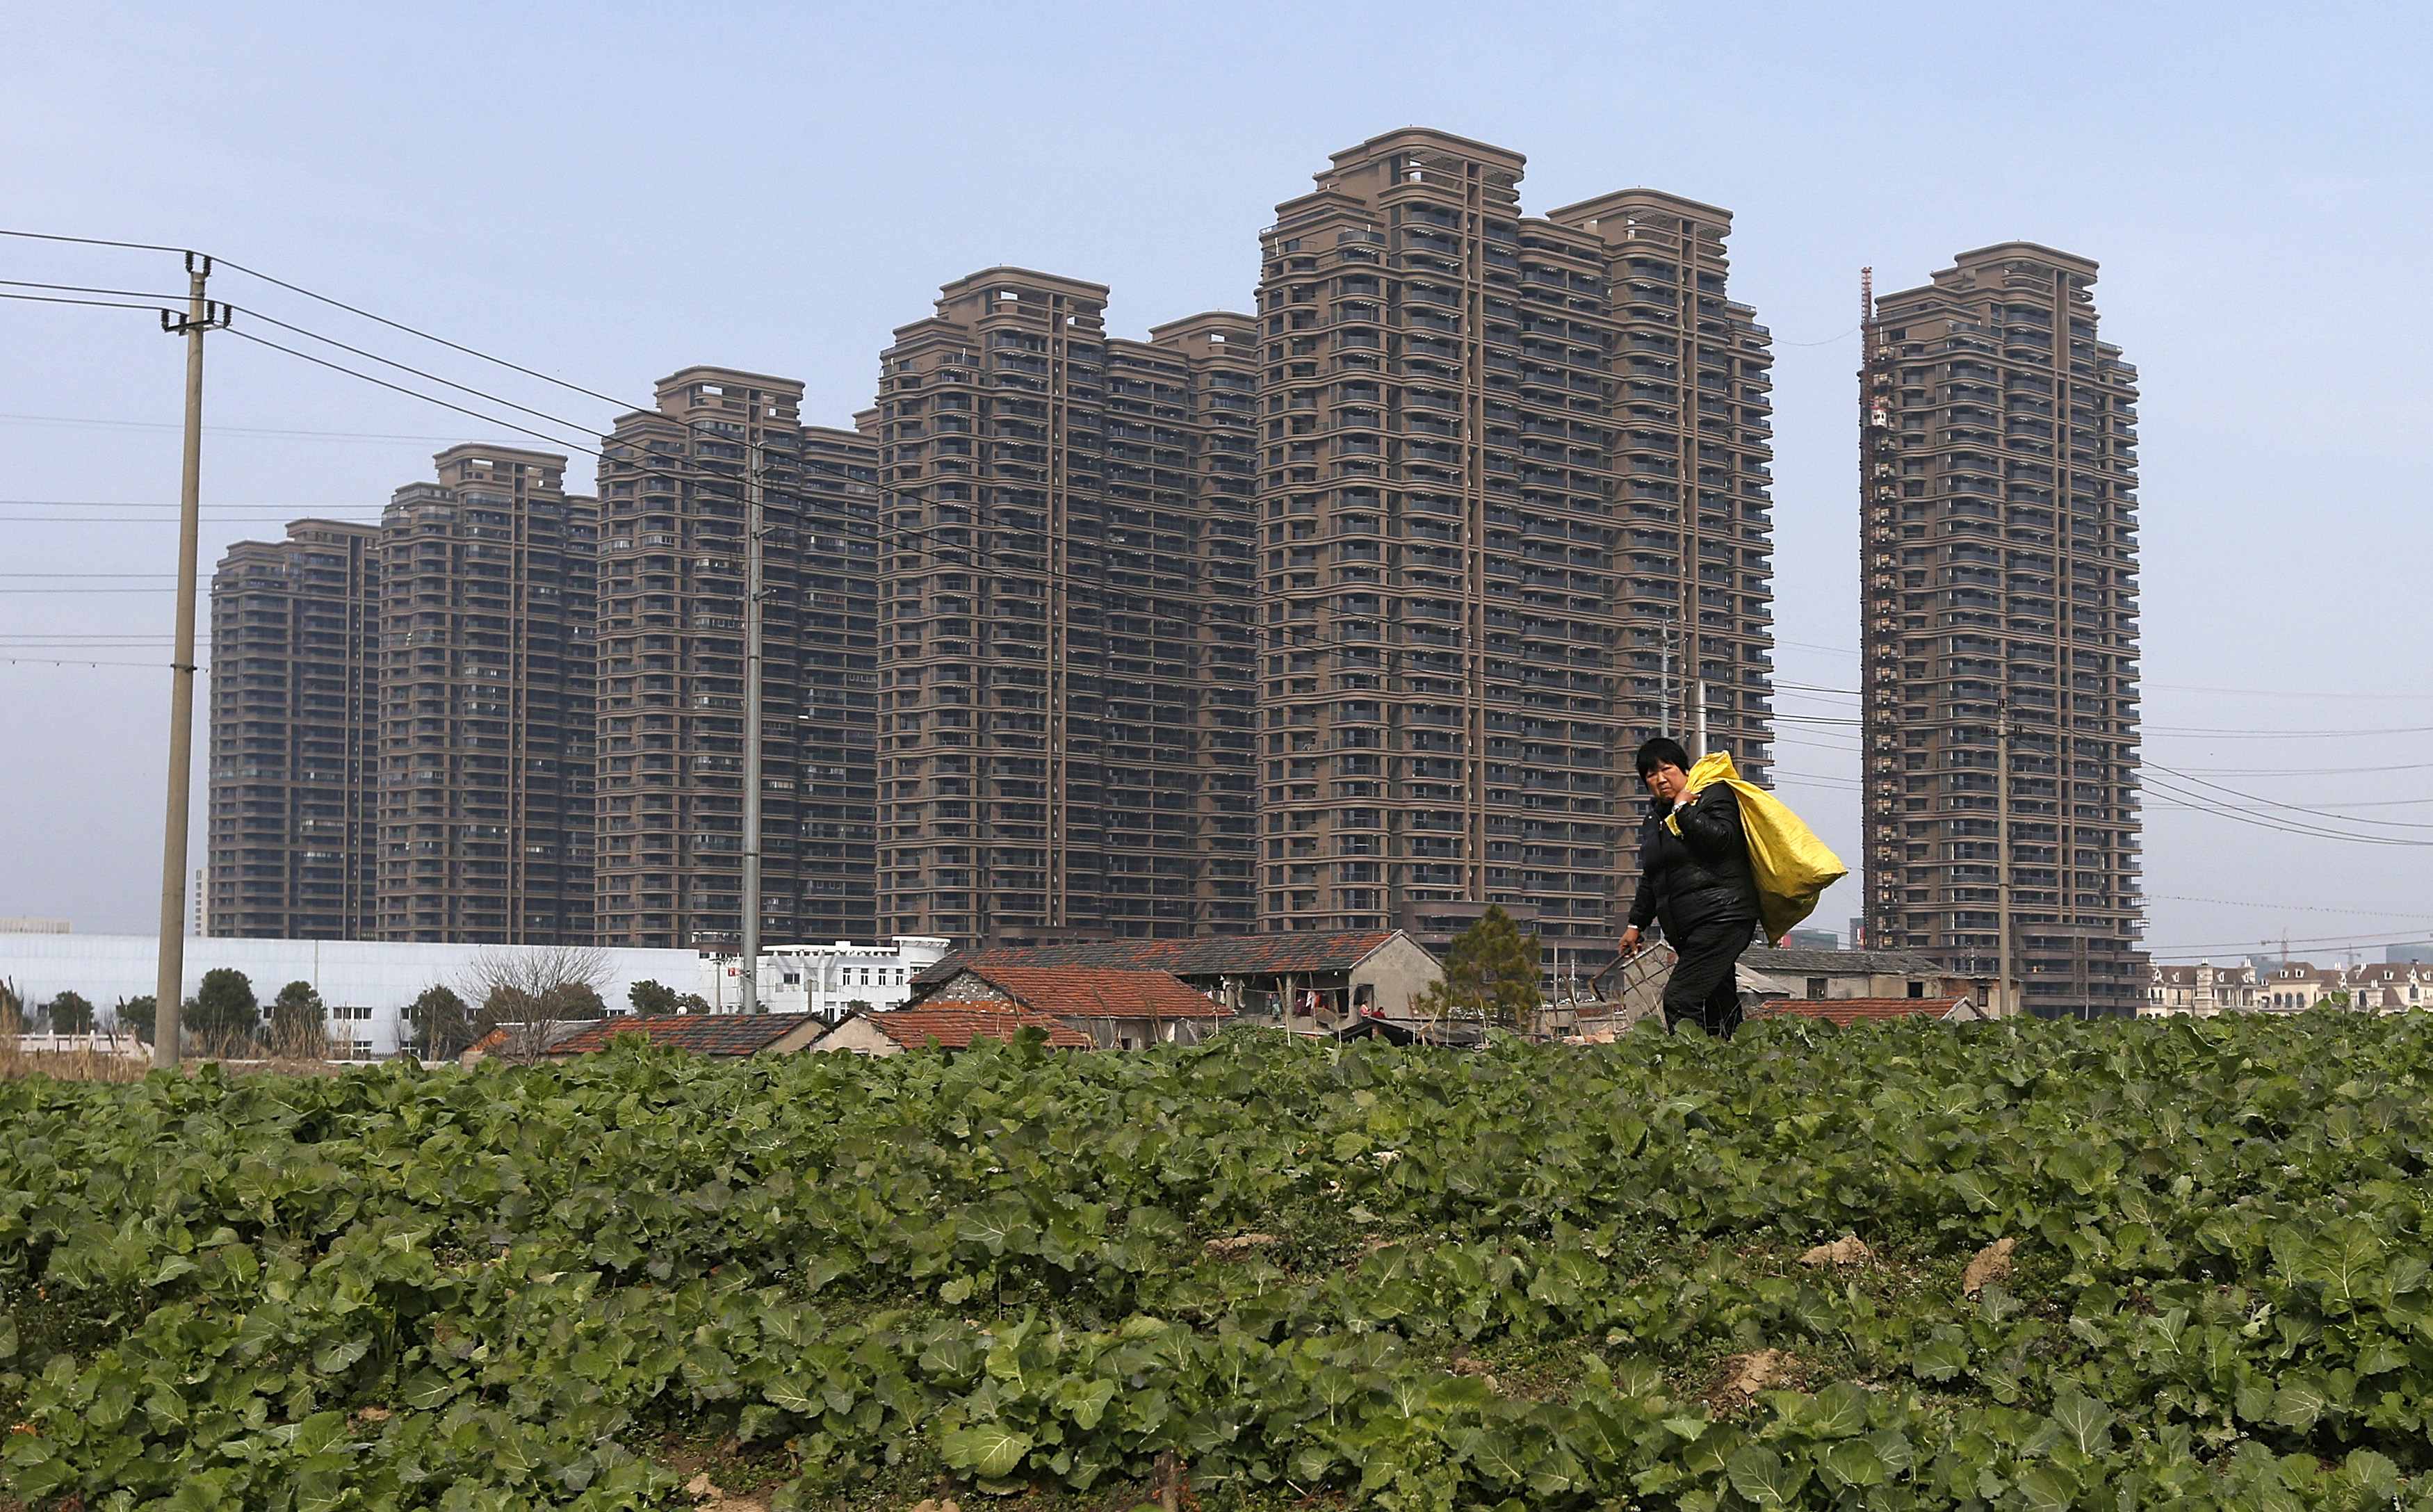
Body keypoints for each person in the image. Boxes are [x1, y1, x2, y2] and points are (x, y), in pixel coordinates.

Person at [1618, 736, 1759, 1039]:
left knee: (1681, 999)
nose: (1660, 779)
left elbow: (1723, 840)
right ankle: (1734, 1066)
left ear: (1684, 769)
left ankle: (1692, 1070)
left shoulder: (1713, 796)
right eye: (1650, 775)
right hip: (1690, 926)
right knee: (1717, 1005)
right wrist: (1635, 924)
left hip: (1723, 916)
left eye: (1666, 769)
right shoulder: (1654, 819)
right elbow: (1653, 876)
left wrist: (1684, 811)